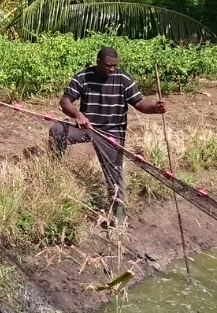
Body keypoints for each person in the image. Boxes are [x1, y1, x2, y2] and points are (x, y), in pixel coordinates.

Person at [51, 47, 166, 227]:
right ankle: (54, 169)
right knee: (57, 129)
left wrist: (155, 109)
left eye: (114, 66)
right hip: (88, 127)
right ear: (98, 62)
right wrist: (78, 115)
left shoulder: (123, 79)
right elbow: (65, 102)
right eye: (108, 66)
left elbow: (139, 103)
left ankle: (117, 218)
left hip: (112, 133)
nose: (112, 69)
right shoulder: (83, 77)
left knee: (114, 175)